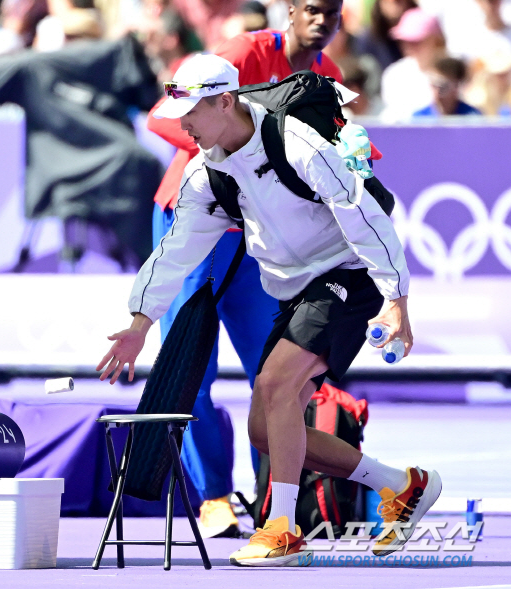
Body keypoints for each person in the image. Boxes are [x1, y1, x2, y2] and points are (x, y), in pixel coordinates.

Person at [98, 53, 442, 566]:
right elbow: (174, 253)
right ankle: (401, 485)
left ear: (225, 100)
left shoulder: (297, 143)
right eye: (180, 114)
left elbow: (362, 213)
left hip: (347, 274)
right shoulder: (204, 175)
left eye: (193, 111)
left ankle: (281, 529)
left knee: (276, 387)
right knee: (268, 428)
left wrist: (396, 297)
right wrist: (139, 324)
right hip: (292, 288)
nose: (184, 124)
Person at [145, 0, 343, 539]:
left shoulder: (330, 78)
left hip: (256, 241)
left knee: (278, 374)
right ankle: (213, 496)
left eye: (333, 9)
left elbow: (329, 153)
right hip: (198, 225)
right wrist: (232, 157)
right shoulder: (242, 54)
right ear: (290, 13)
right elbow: (160, 120)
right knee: (191, 369)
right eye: (312, 9)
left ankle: (275, 505)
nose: (323, 19)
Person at [380, 7, 446, 121]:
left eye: (417, 41)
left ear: (436, 41)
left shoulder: (452, 70)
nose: (409, 47)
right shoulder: (394, 74)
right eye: (406, 41)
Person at [414, 56, 482, 116]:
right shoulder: (418, 119)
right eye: (434, 85)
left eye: (443, 87)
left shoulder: (473, 118)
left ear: (457, 86)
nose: (437, 92)